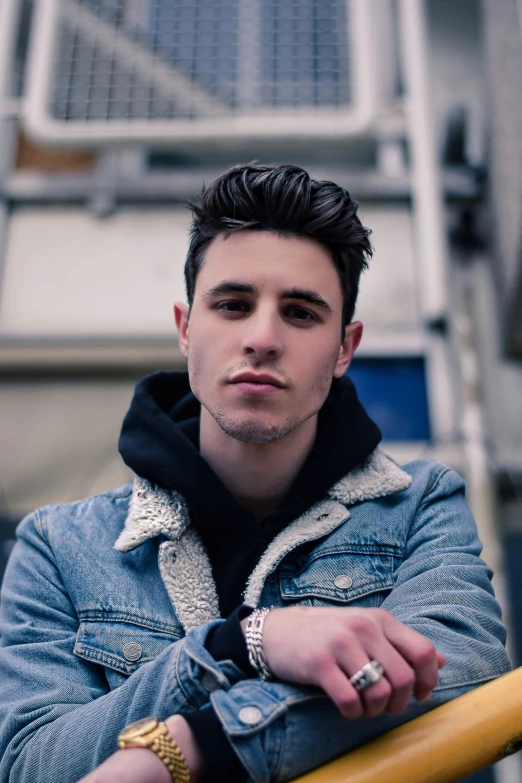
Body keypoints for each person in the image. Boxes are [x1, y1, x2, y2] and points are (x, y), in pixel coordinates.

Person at [0, 164, 510, 783]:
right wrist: (242, 646)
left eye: (300, 313)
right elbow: (28, 764)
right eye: (234, 305)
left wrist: (193, 746)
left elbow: (461, 671)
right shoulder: (59, 546)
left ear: (345, 348)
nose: (262, 338)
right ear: (187, 330)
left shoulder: (420, 506)